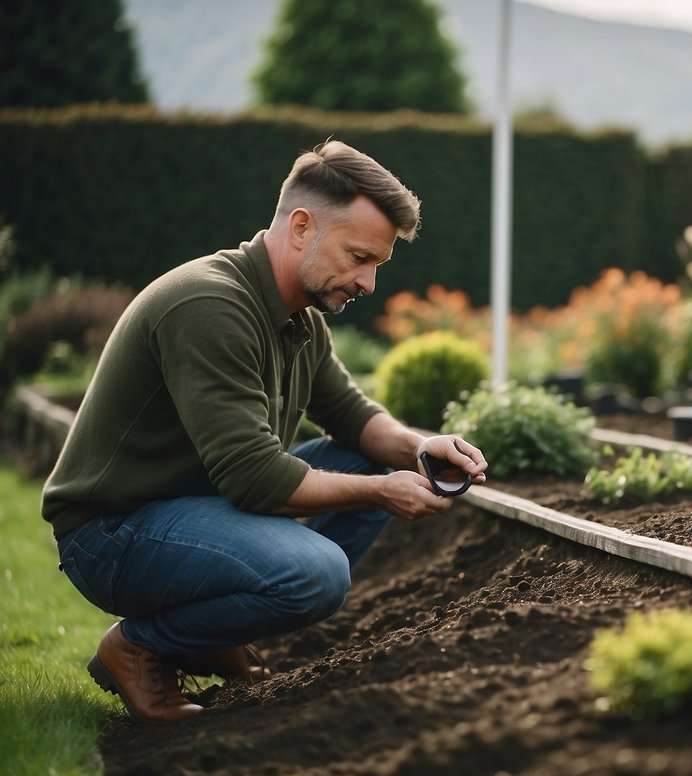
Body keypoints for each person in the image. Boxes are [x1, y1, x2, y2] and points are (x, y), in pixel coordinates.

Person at [41, 140, 487, 721]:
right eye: (358, 257)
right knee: (317, 575)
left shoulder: (299, 317)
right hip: (113, 533)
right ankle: (141, 647)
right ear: (302, 226)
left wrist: (418, 448)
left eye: (376, 264)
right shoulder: (209, 305)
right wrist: (384, 491)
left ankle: (206, 631)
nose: (368, 283)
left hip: (193, 508)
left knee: (378, 460)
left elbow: (353, 417)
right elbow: (255, 478)